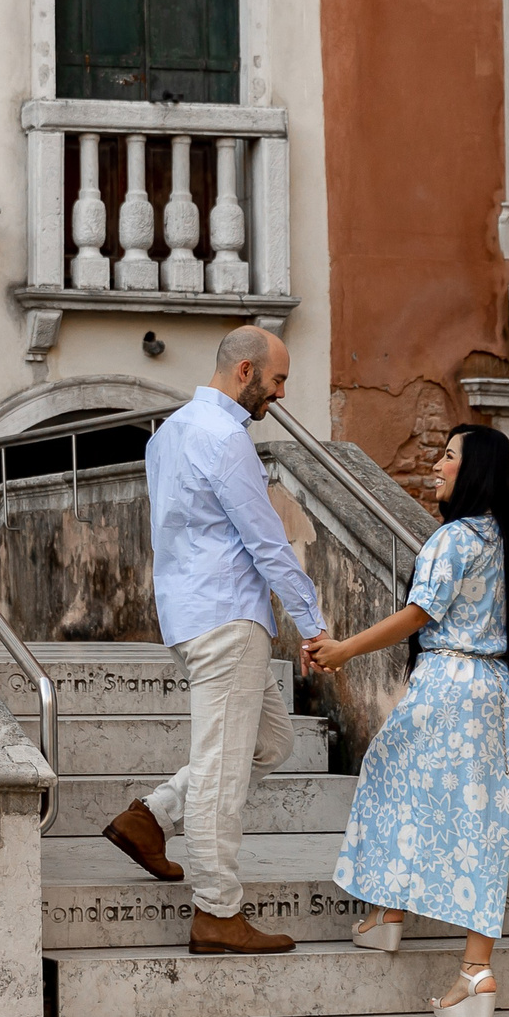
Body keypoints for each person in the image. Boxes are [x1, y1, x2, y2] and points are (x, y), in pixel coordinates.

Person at [101, 325, 330, 955]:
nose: (281, 394)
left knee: (272, 742)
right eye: (278, 380)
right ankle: (216, 912)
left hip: (190, 612)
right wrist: (314, 626)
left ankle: (151, 817)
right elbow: (267, 544)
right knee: (224, 773)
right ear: (246, 372)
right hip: (226, 617)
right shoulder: (226, 438)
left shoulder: (168, 433)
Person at [302, 424, 509, 1017]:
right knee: (481, 823)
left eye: (449, 457)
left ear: (474, 470)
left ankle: (386, 914)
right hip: (497, 693)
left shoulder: (453, 539)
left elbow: (418, 613)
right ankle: (473, 971)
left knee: (385, 775)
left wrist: (345, 648)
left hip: (448, 682)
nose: (437, 464)